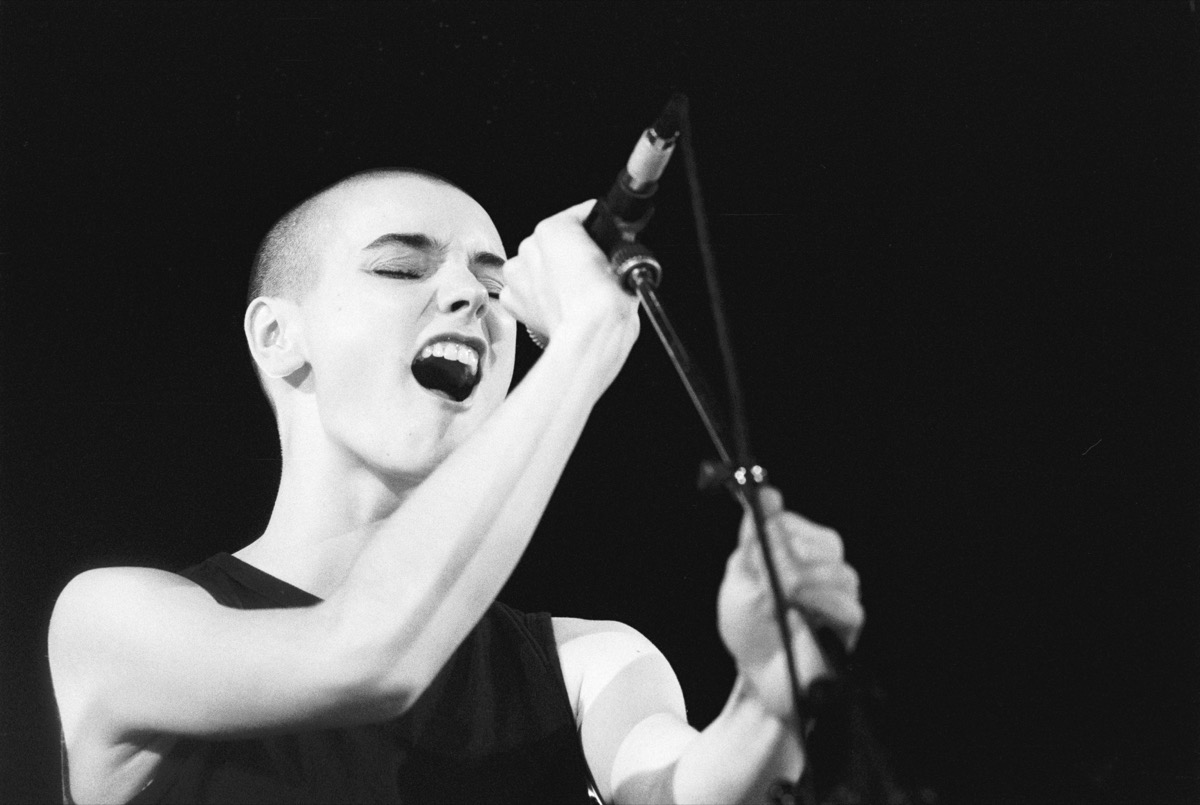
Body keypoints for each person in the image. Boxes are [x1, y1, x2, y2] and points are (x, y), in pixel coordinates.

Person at [48, 169, 864, 804]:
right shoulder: (116, 621)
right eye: (402, 266)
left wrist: (768, 697)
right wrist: (583, 350)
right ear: (277, 336)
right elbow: (363, 656)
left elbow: (673, 788)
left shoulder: (589, 662)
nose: (470, 294)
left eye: (495, 281)